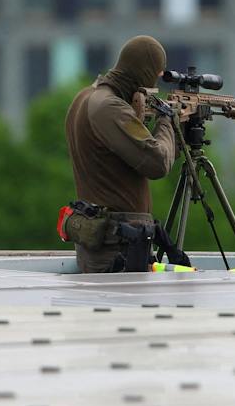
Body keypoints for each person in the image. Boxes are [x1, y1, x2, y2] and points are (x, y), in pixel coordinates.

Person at [63, 35, 185, 272]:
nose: (156, 84)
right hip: (117, 248)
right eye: (157, 74)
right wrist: (167, 121)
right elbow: (157, 163)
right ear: (144, 71)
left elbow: (115, 160)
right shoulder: (109, 107)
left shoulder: (85, 98)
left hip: (108, 243)